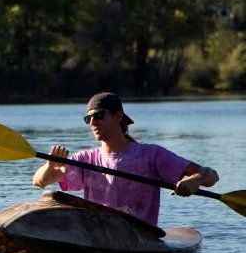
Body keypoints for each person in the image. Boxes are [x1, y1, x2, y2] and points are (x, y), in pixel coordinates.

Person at [32, 92, 219, 226]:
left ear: (118, 116)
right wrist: (49, 166)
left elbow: (212, 176)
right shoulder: (85, 159)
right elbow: (40, 182)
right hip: (99, 231)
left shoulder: (151, 154)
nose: (93, 123)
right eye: (88, 119)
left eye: (98, 116)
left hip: (139, 233)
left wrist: (196, 179)